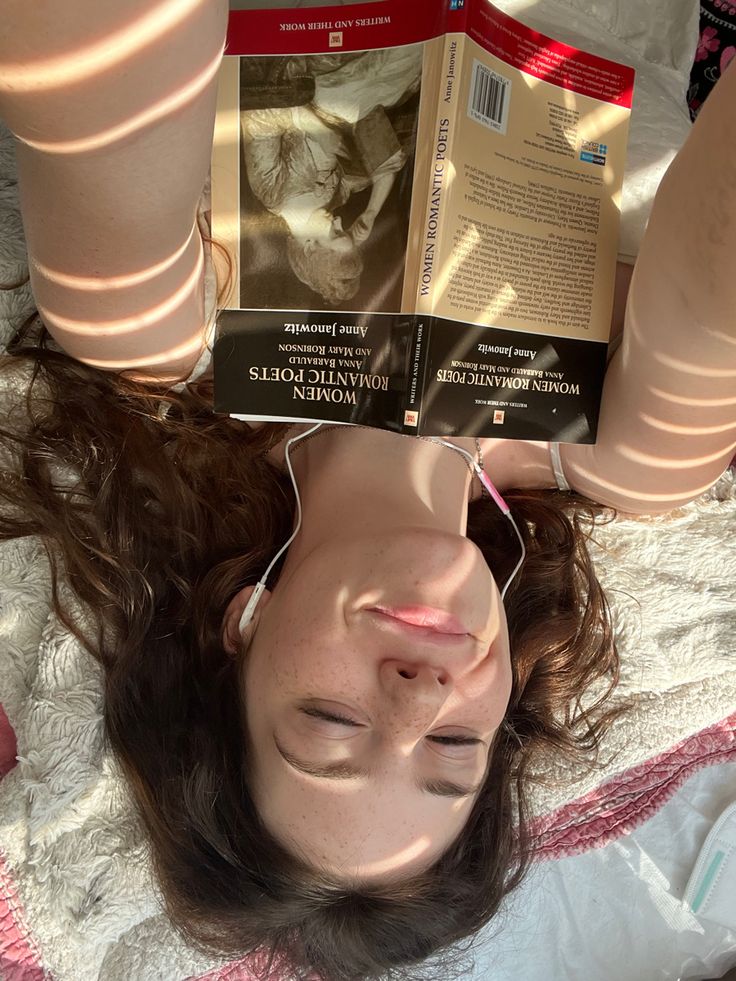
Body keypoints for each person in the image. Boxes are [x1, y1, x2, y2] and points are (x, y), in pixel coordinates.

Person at [0, 3, 734, 979]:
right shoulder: (629, 454)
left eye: (332, 724)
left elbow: (94, 53)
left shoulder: (158, 337)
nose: (418, 696)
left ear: (240, 628)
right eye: (454, 744)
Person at [240, 46, 421, 303]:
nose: (339, 221)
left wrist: (318, 129)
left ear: (310, 246)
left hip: (320, 88)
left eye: (336, 233)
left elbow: (258, 114)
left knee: (395, 63)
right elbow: (380, 169)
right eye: (344, 230)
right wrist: (370, 213)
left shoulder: (270, 189)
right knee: (412, 59)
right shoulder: (332, 201)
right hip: (359, 102)